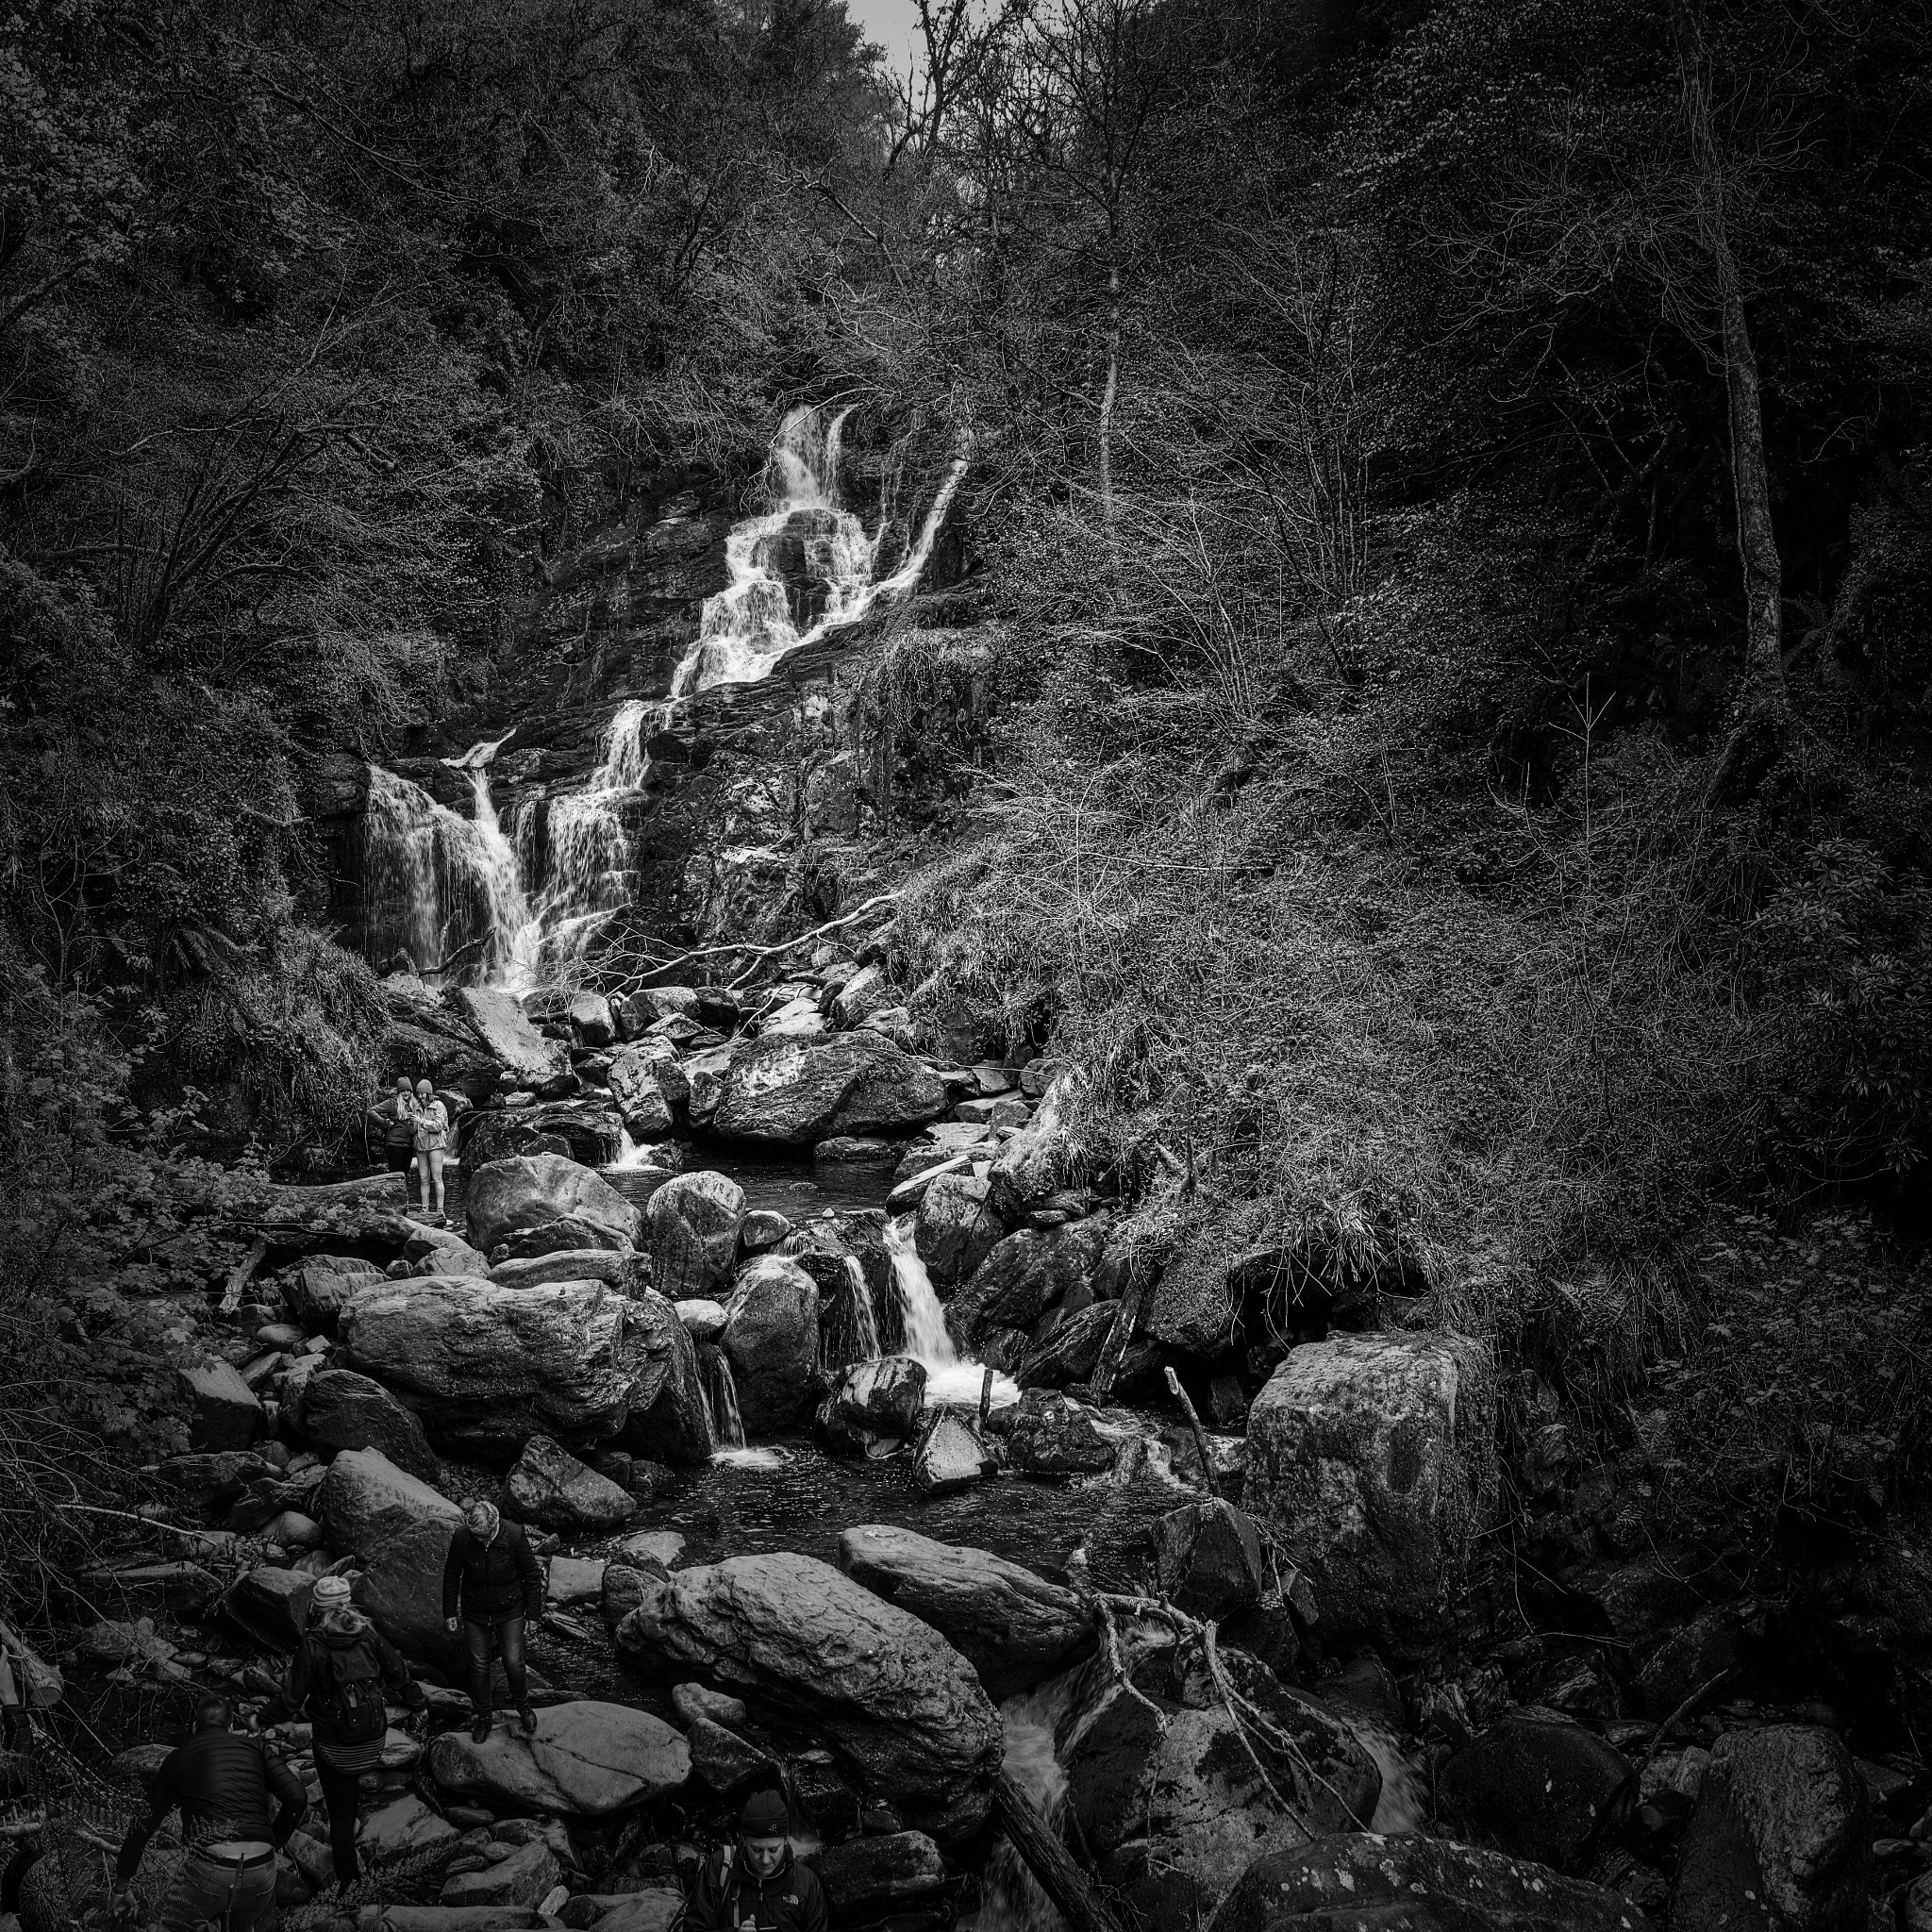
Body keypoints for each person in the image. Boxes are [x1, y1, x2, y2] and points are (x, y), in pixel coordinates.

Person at [113, 1693, 306, 1932]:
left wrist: (122, 1884)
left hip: (211, 1869)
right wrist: (273, 1842)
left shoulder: (178, 1757)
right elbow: (297, 1797)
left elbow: (145, 1821)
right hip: (262, 1871)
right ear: (231, 1727)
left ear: (195, 1727)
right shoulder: (257, 1748)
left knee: (167, 1926)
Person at [281, 1574, 425, 1888]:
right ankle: (354, 1806)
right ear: (348, 1605)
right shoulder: (369, 1636)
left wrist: (257, 1721)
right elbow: (399, 1674)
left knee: (340, 1816)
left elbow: (290, 1702)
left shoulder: (313, 1647)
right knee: (351, 1774)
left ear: (316, 1611)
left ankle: (350, 1882)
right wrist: (419, 1705)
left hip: (335, 1751)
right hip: (373, 1743)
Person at [441, 1500, 543, 1743]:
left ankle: (522, 1705)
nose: (483, 1541)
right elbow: (452, 1574)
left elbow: (531, 1575)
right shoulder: (462, 1537)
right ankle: (484, 1716)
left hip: (510, 1608)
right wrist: (449, 1612)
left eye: (486, 1536)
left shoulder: (514, 1535)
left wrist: (533, 1615)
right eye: (478, 1537)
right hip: (475, 1611)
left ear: (496, 1524)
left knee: (514, 1662)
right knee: (478, 1665)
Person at [685, 1788, 828, 1932]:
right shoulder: (719, 1868)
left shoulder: (807, 1884)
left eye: (773, 1850)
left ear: (786, 1840)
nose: (765, 1860)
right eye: (757, 1850)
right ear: (743, 1839)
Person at [409, 1077, 450, 1219]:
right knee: (424, 1179)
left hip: (435, 1146)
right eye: (418, 1094)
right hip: (421, 1147)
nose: (420, 1096)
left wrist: (421, 1121)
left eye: (422, 1094)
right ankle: (425, 1210)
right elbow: (414, 1130)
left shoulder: (439, 1106)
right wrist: (411, 1122)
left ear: (429, 1093)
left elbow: (439, 1125)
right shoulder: (416, 1107)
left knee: (437, 1178)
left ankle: (440, 1211)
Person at [365, 1075, 417, 1179]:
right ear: (399, 1092)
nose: (406, 1093)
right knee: (394, 1176)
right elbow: (371, 1111)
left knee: (404, 1176)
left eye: (408, 1090)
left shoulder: (414, 1104)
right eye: (403, 1091)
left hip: (408, 1146)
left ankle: (402, 1195)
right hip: (394, 1146)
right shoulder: (392, 1103)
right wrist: (384, 1122)